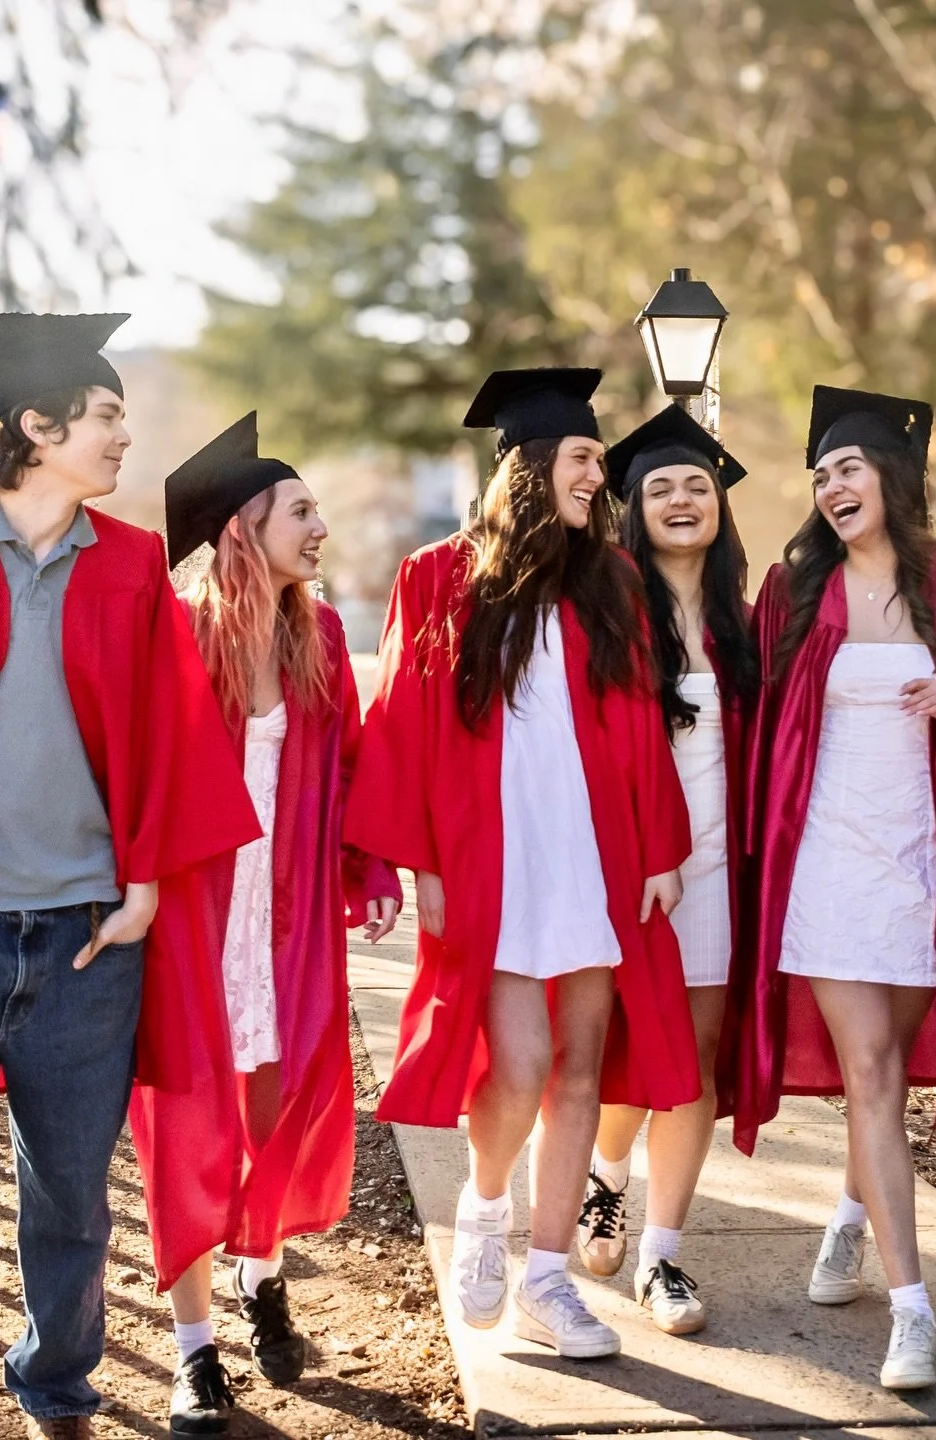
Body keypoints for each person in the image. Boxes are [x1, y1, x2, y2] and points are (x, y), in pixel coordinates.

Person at [0, 314, 259, 1440]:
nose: (124, 440)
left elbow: (169, 730)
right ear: (35, 428)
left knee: (73, 1205)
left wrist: (142, 890)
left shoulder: (132, 562)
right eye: (105, 419)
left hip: (85, 939)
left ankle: (53, 1382)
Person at [348, 368, 700, 1360]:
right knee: (516, 1065)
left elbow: (641, 724)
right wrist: (423, 866)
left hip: (595, 852)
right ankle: (486, 1207)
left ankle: (548, 1276)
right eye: (587, 459)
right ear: (534, 468)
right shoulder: (436, 578)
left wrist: (660, 849)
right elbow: (405, 724)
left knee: (583, 1064)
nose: (602, 478)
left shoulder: (612, 580)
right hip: (496, 856)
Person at [127, 414, 402, 1434]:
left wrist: (365, 866)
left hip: (284, 918)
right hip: (192, 918)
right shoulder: (177, 631)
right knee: (185, 1129)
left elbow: (351, 765)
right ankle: (194, 1353)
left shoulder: (320, 635)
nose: (321, 527)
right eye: (302, 511)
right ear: (245, 527)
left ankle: (261, 1274)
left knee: (276, 1113)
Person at [728, 386, 936, 1392]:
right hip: (830, 866)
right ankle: (913, 1311)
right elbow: (751, 722)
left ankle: (850, 1215)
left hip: (927, 863)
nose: (830, 485)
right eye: (820, 476)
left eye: (847, 468)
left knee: (888, 1067)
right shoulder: (797, 589)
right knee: (872, 1075)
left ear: (892, 476)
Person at [572, 404, 758, 1337]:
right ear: (631, 508)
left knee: (696, 1061)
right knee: (632, 1058)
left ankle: (662, 1256)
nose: (682, 500)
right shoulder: (609, 609)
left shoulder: (747, 618)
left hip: (722, 867)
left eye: (698, 486)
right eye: (660, 488)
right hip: (637, 864)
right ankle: (604, 1180)